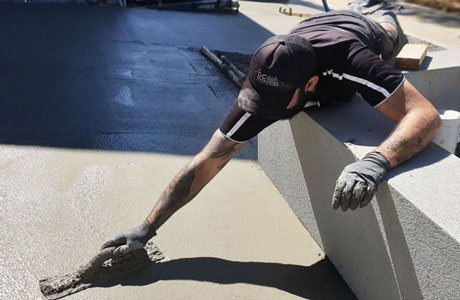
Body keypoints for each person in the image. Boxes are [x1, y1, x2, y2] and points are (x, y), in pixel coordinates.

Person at [101, 10, 441, 255]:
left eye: (276, 101)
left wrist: (376, 162)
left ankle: (380, 9)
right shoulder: (271, 68)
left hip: (364, 30)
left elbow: (424, 114)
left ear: (310, 83)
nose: (266, 110)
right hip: (310, 28)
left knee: (387, 26)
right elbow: (209, 159)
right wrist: (147, 227)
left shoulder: (352, 60)